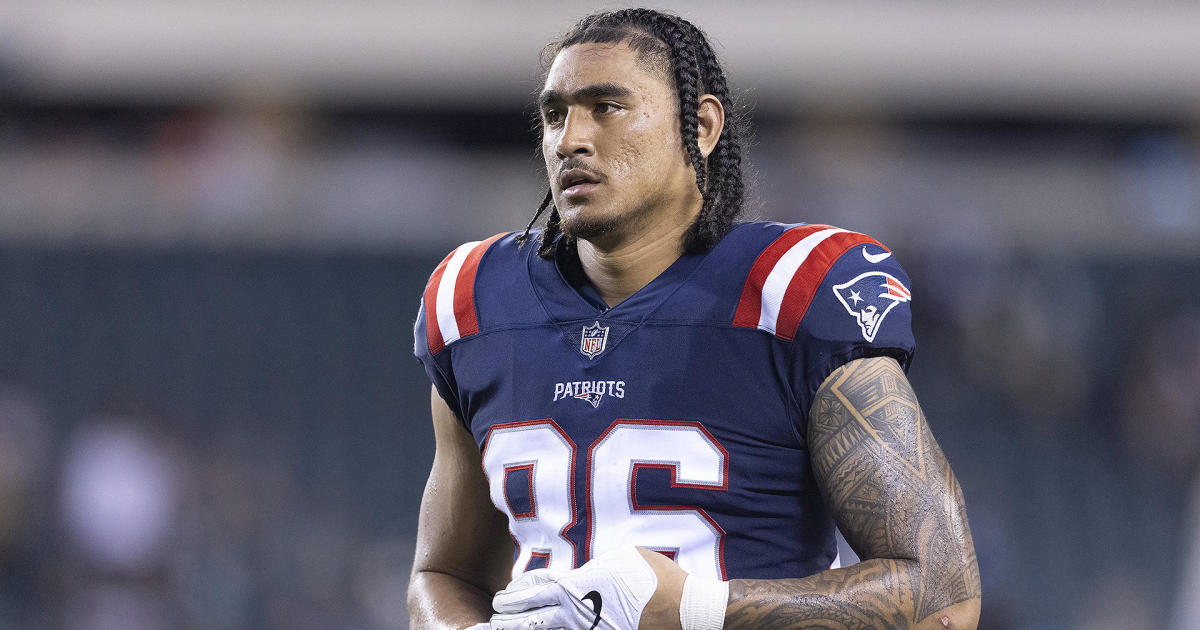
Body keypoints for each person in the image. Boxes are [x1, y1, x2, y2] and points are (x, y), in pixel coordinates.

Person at [408, 8, 980, 629]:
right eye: (555, 113)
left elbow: (944, 598)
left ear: (700, 126)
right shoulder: (474, 300)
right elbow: (444, 575)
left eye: (608, 107)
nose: (571, 138)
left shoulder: (790, 291)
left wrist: (694, 609)